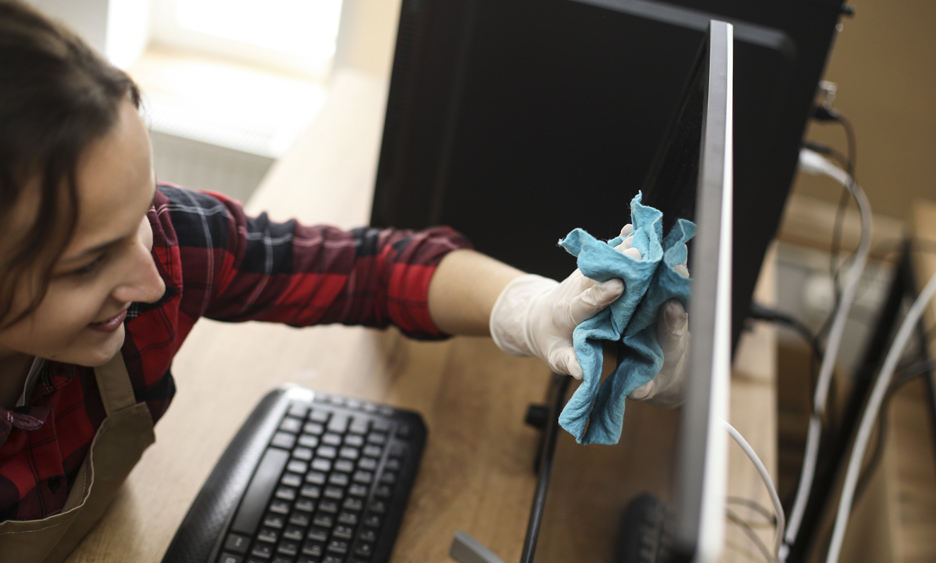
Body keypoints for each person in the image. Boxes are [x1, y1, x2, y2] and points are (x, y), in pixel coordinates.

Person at [0, 0, 687, 559]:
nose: (152, 280)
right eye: (88, 264)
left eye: (142, 213)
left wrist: (532, 310)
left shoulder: (174, 245)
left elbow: (371, 269)